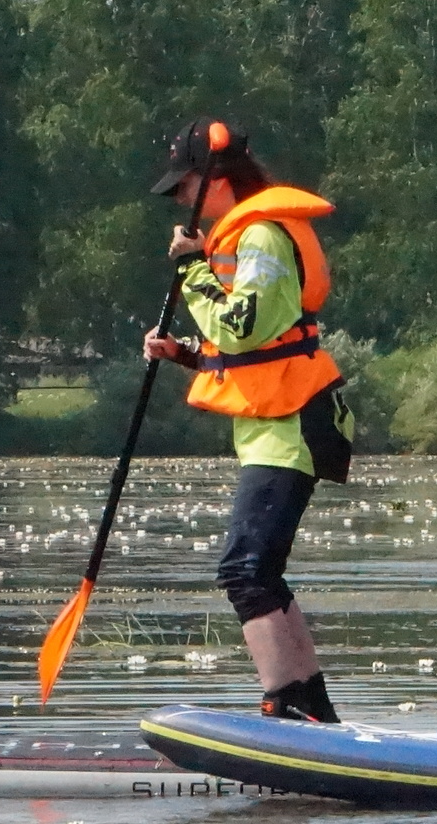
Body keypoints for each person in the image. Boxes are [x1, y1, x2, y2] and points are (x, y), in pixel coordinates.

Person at [144, 117, 355, 722]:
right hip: (275, 420)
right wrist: (183, 353)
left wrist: (191, 270)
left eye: (185, 186)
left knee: (244, 569)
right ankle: (308, 702)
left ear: (215, 180)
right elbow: (248, 348)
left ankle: (288, 701)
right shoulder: (244, 234)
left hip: (295, 420)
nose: (182, 200)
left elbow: (244, 328)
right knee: (258, 569)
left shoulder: (261, 233)